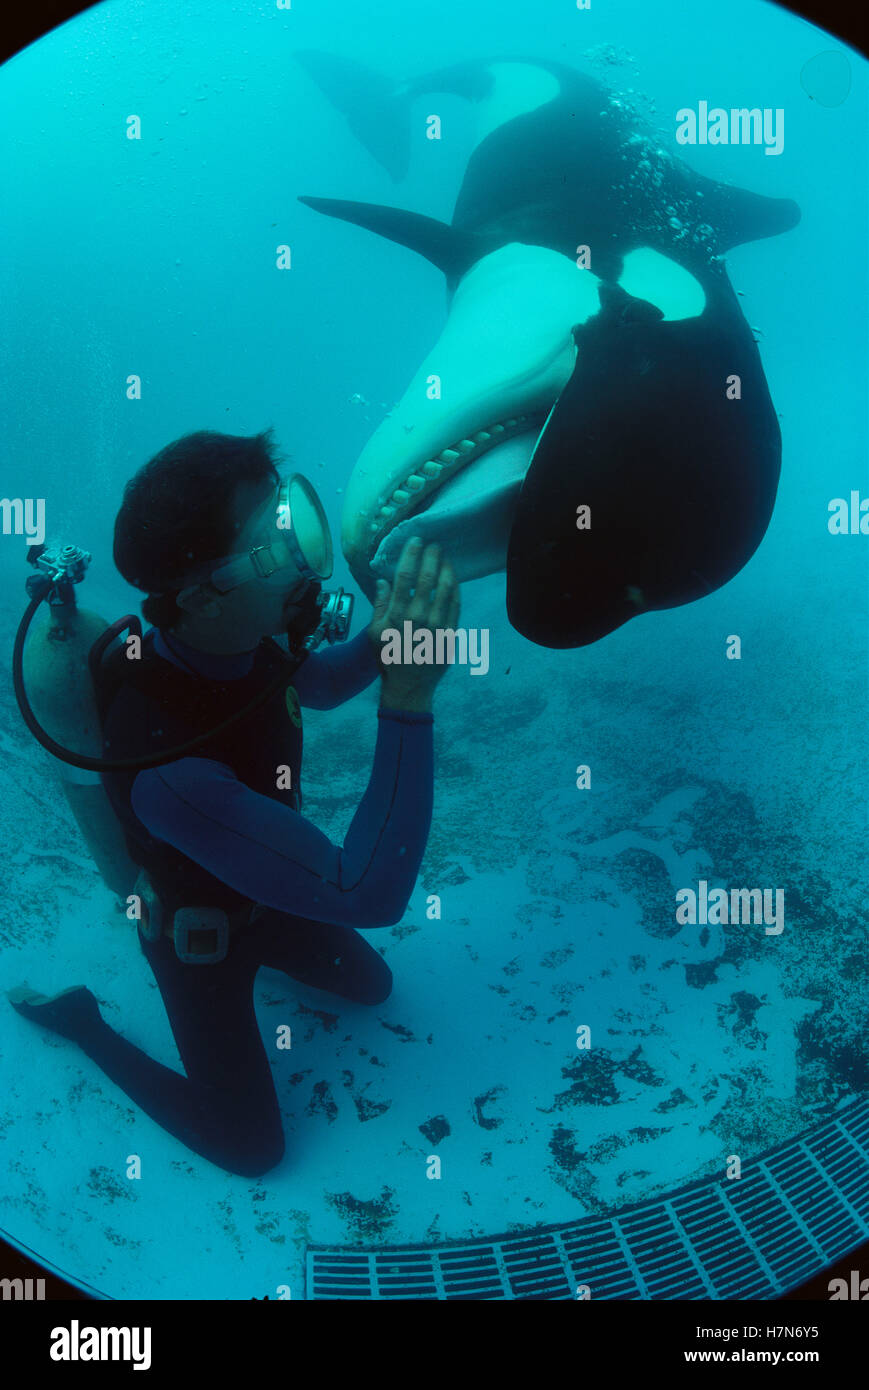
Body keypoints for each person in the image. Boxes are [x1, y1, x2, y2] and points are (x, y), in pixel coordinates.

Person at [8, 429, 459, 1178]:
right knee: (250, 1149)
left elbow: (311, 684)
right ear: (202, 594)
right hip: (198, 937)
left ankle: (270, 947)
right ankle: (86, 1025)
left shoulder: (250, 629)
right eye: (275, 542)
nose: (301, 559)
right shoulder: (169, 768)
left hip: (267, 894)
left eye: (292, 520)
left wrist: (392, 633)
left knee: (374, 989)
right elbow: (368, 891)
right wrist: (409, 699)